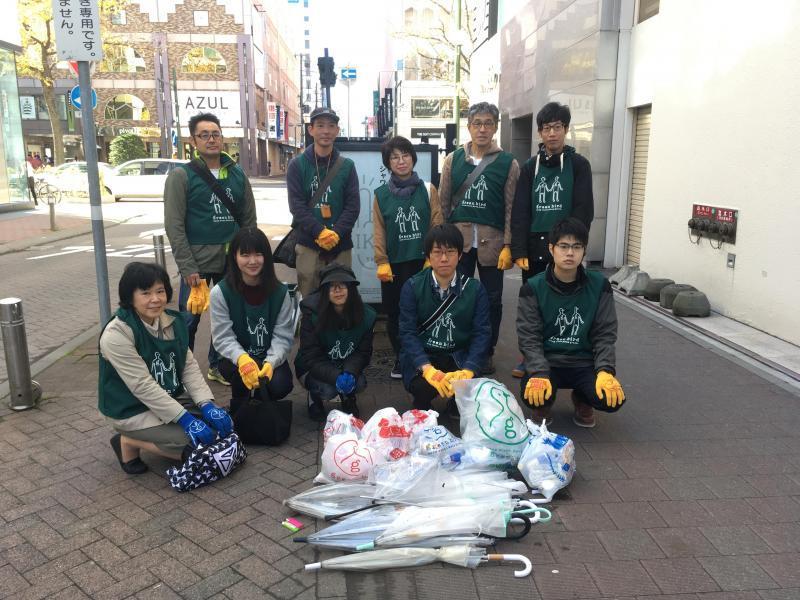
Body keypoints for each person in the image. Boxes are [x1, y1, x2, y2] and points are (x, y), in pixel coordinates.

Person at [98, 262, 234, 474]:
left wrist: (206, 403)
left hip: (169, 397)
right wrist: (185, 418)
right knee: (196, 447)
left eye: (160, 291)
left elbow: (188, 366)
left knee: (222, 428)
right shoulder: (117, 334)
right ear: (129, 297)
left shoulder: (172, 321)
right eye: (145, 293)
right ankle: (128, 440)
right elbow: (142, 386)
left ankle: (150, 436)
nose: (155, 299)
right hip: (131, 408)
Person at [164, 112, 257, 387]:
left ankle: (218, 366)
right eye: (204, 135)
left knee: (228, 318)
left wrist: (249, 257)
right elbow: (174, 225)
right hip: (198, 266)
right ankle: (183, 373)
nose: (211, 139)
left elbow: (248, 219)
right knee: (188, 321)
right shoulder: (182, 177)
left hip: (232, 263)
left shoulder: (237, 174)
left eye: (215, 134)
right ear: (194, 140)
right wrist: (188, 268)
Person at [510, 101, 595, 377]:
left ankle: (565, 356)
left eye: (558, 127)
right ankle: (529, 357)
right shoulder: (529, 167)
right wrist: (518, 249)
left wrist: (573, 246)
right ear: (539, 133)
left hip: (564, 247)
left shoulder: (579, 165)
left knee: (567, 303)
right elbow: (521, 209)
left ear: (566, 130)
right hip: (534, 247)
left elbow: (584, 209)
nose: (552, 133)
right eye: (547, 128)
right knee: (533, 304)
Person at [516, 218, 624, 428]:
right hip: (548, 362)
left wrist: (605, 371)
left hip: (584, 362)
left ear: (584, 251)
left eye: (577, 247)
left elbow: (605, 333)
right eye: (563, 246)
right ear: (551, 248)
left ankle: (583, 399)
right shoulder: (533, 287)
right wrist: (538, 371)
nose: (570, 253)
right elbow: (529, 336)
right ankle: (544, 405)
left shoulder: (599, 285)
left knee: (611, 399)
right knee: (533, 395)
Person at [438, 102, 519, 376]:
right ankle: (457, 347)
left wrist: (509, 245)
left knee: (493, 300)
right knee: (456, 297)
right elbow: (443, 203)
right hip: (458, 243)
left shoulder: (509, 163)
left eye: (488, 123)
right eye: (477, 123)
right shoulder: (453, 160)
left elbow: (511, 208)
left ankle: (486, 351)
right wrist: (441, 246)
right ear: (469, 127)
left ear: (495, 127)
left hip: (493, 244)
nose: (482, 129)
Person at [398, 224, 491, 411]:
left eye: (450, 251)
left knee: (465, 385)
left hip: (458, 356)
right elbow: (407, 332)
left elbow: (482, 333)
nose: (444, 258)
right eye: (437, 252)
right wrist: (426, 368)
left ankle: (457, 403)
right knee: (422, 387)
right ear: (428, 256)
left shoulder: (475, 289)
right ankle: (422, 401)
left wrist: (469, 370)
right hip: (427, 354)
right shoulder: (412, 286)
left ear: (460, 255)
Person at [373, 136, 443, 379]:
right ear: (388, 163)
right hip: (394, 265)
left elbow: (436, 223)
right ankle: (401, 358)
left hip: (423, 263)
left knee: (425, 310)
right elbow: (379, 229)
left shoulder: (427, 189)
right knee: (395, 313)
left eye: (405, 155)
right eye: (394, 157)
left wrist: (432, 257)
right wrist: (381, 260)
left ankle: (425, 358)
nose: (401, 161)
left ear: (413, 158)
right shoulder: (381, 194)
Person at [209, 227, 295, 416]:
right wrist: (242, 359)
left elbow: (283, 337)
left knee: (281, 384)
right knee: (239, 378)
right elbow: (222, 337)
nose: (253, 261)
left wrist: (271, 363)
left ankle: (264, 404)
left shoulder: (280, 293)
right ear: (234, 257)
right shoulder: (220, 292)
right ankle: (241, 403)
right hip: (236, 358)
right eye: (245, 254)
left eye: (259, 254)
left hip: (267, 355)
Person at [287, 107, 359, 298]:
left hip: (341, 245)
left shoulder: (347, 166)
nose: (326, 131)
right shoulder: (297, 165)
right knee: (311, 300)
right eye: (320, 125)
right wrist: (319, 231)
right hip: (308, 245)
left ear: (337, 130)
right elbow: (296, 206)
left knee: (341, 300)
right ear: (311, 130)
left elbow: (353, 206)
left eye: (331, 126)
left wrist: (336, 233)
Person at [295, 263, 375, 419]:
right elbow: (311, 356)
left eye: (343, 285)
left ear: (351, 289)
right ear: (324, 291)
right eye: (331, 286)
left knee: (359, 383)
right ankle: (314, 397)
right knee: (328, 389)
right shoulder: (311, 315)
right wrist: (335, 376)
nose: (337, 290)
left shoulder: (367, 316)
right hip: (312, 368)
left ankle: (348, 397)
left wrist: (350, 372)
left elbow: (363, 352)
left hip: (344, 364)